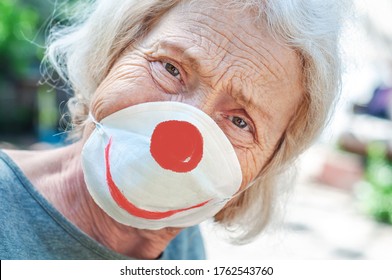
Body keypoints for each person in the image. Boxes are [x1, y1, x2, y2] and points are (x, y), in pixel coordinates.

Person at [0, 0, 344, 260]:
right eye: (170, 68)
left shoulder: (183, 241)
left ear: (266, 166)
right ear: (114, 53)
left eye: (240, 121)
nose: (180, 137)